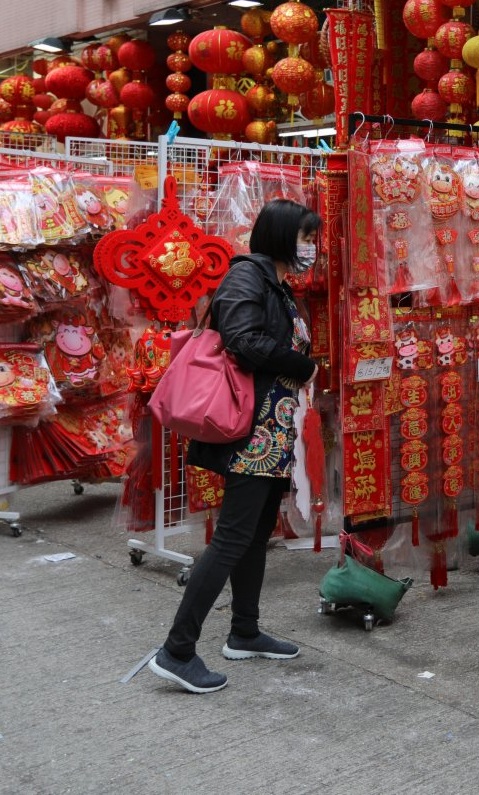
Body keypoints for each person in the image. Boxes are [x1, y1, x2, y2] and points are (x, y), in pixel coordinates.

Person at [149, 199, 321, 694]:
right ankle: (177, 650)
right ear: (282, 236)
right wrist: (301, 365)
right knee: (231, 537)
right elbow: (243, 341)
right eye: (305, 238)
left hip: (273, 430)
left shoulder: (276, 283)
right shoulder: (246, 278)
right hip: (252, 431)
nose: (311, 248)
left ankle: (244, 630)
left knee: (255, 532)